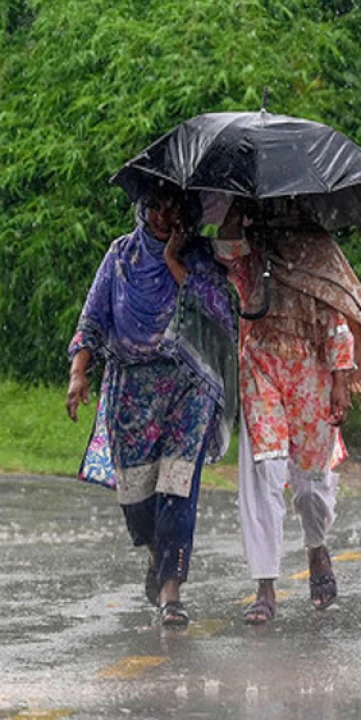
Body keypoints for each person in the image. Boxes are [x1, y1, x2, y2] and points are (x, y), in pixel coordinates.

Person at [212, 198, 361, 625]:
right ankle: (265, 586)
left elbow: (337, 317)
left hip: (311, 372)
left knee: (311, 483)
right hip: (261, 364)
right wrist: (235, 214)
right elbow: (224, 253)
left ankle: (317, 547)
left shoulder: (319, 251)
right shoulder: (252, 244)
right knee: (264, 468)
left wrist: (340, 381)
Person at [66, 183, 238, 628]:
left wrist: (174, 263)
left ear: (188, 214)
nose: (163, 216)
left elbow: (220, 313)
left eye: (173, 208)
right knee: (138, 501)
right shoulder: (121, 255)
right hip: (132, 391)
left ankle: (171, 592)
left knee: (178, 488)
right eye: (155, 206)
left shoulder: (200, 257)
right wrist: (78, 374)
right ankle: (157, 554)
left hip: (188, 385)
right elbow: (93, 319)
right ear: (142, 208)